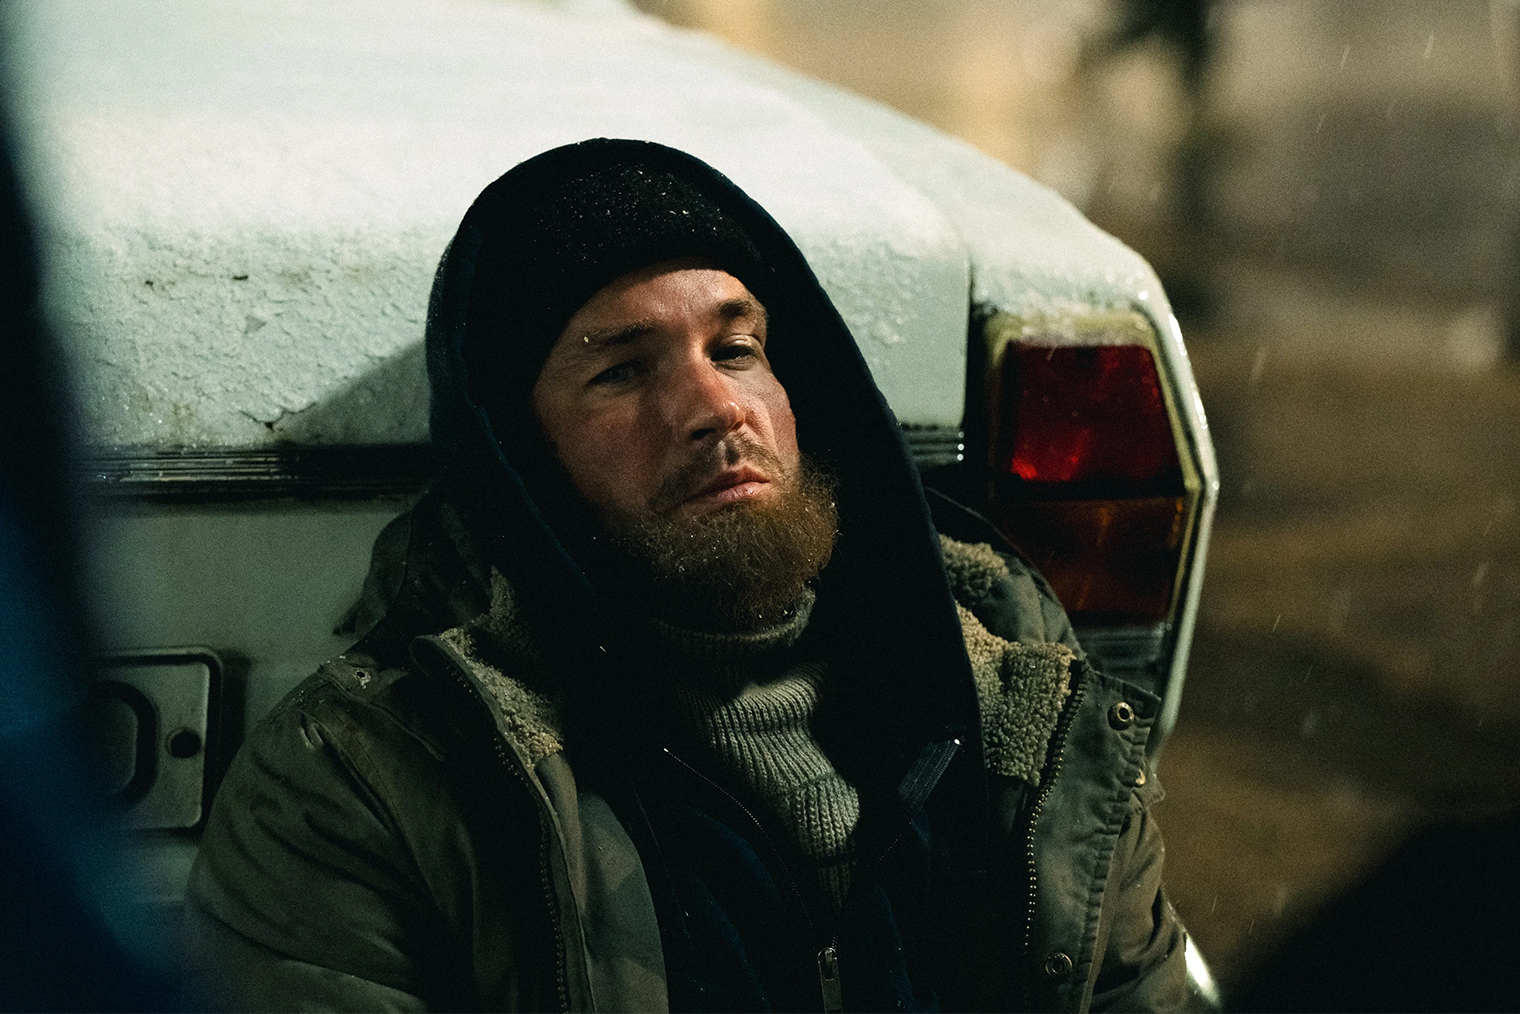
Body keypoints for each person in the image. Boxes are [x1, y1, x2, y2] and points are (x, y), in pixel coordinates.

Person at [186, 138, 1193, 1012]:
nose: (715, 409)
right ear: (523, 460)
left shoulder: (1019, 703)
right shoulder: (370, 787)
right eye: (622, 371)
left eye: (737, 348)